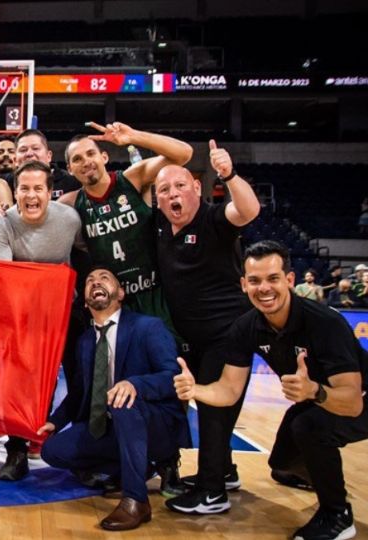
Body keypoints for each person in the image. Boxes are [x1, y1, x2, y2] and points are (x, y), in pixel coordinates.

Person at [174, 240, 367, 539]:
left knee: (309, 426)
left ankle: (337, 514)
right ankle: (317, 474)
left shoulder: (325, 323)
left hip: (354, 398)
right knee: (281, 464)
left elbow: (353, 403)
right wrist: (194, 390)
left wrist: (315, 390)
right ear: (243, 285)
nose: (264, 288)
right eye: (255, 281)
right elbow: (229, 390)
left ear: (290, 280)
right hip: (314, 399)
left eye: (273, 279)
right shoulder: (246, 327)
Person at [155, 142, 261, 514]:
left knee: (215, 410)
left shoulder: (215, 219)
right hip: (192, 339)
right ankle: (225, 471)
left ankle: (212, 491)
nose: (172, 194)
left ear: (197, 188)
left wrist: (229, 175)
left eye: (180, 186)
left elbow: (248, 210)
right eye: (164, 190)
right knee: (206, 406)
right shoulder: (160, 229)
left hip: (228, 333)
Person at [39, 266, 188, 531]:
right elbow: (78, 394)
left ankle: (136, 499)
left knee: (123, 402)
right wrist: (54, 422)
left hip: (154, 424)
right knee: (52, 451)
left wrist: (136, 384)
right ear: (84, 300)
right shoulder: (85, 341)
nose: (96, 282)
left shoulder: (148, 326)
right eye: (89, 281)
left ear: (120, 293)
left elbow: (173, 377)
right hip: (109, 427)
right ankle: (135, 468)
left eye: (104, 278)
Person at [0, 160, 85, 480]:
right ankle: (17, 450)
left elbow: (87, 255)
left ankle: (86, 445)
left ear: (50, 192)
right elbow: (4, 280)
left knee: (82, 373)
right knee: (20, 382)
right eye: (24, 189)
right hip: (22, 314)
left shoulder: (69, 220)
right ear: (14, 192)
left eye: (38, 189)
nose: (31, 195)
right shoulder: (1, 225)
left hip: (66, 312)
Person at [58, 121, 194, 334]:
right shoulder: (69, 203)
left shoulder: (132, 178)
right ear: (70, 169)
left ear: (104, 157)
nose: (86, 162)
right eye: (77, 159)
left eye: (90, 154)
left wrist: (134, 136)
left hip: (157, 293)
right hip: (115, 304)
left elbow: (184, 154)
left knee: (170, 361)